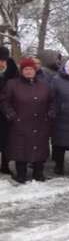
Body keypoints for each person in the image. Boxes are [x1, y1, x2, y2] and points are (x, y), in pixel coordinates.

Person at [2, 57, 54, 183]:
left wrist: (51, 113)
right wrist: (11, 115)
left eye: (31, 69)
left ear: (35, 70)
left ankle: (38, 173)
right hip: (20, 123)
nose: (29, 71)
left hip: (41, 122)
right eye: (26, 69)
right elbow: (4, 101)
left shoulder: (44, 85)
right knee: (21, 148)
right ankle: (21, 174)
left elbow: (52, 101)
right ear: (21, 71)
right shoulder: (12, 84)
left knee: (40, 147)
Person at [0, 47, 18, 175]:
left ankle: (5, 165)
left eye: (4, 60)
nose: (2, 62)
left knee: (6, 139)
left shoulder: (12, 69)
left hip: (7, 109)